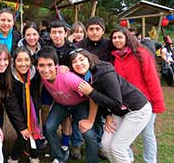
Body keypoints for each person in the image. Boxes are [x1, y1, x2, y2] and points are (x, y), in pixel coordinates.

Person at [69, 48, 152, 163]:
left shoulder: (105, 73)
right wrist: (107, 115)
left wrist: (91, 92)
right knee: (106, 144)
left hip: (137, 109)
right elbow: (100, 98)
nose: (78, 63)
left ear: (89, 59)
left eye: (81, 59)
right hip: (119, 111)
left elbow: (116, 102)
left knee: (118, 148)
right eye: (74, 62)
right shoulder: (87, 76)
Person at [110, 27, 165, 163]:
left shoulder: (141, 53)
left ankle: (150, 160)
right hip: (126, 103)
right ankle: (128, 157)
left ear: (127, 38)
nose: (117, 40)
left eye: (120, 37)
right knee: (124, 135)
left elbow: (152, 79)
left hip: (146, 102)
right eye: (114, 38)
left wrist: (157, 104)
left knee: (147, 134)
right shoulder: (114, 57)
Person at [37, 46, 99, 163]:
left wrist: (90, 120)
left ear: (56, 65)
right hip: (61, 104)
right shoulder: (42, 75)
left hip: (80, 104)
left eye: (49, 65)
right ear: (37, 66)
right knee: (49, 127)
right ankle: (60, 156)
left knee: (88, 133)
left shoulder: (70, 79)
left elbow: (93, 96)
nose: (46, 70)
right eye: (41, 65)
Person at [75, 16, 110, 159]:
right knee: (80, 115)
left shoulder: (109, 44)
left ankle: (100, 145)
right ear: (87, 30)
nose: (94, 32)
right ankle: (76, 144)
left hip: (103, 86)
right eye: (91, 29)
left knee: (100, 117)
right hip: (83, 86)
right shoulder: (80, 44)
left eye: (98, 29)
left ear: (103, 30)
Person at [44, 19, 77, 152]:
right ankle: (45, 135)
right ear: (50, 34)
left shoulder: (71, 48)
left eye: (59, 32)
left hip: (65, 88)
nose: (57, 35)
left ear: (65, 33)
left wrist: (69, 68)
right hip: (48, 85)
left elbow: (79, 67)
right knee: (44, 108)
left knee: (65, 114)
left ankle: (65, 142)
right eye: (54, 32)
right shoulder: (46, 46)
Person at [6, 47, 42, 163]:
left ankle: (34, 155)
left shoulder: (34, 74)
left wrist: (33, 118)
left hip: (31, 109)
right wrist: (22, 126)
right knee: (24, 134)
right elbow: (12, 104)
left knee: (34, 131)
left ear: (31, 61)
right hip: (15, 110)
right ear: (13, 61)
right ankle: (14, 158)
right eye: (19, 60)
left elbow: (35, 97)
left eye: (26, 60)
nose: (23, 64)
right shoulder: (9, 77)